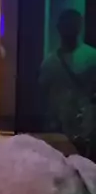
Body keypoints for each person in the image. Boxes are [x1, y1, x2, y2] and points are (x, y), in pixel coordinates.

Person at [39, 9, 96, 152]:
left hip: (86, 128)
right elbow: (44, 95)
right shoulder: (50, 62)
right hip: (59, 128)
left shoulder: (92, 58)